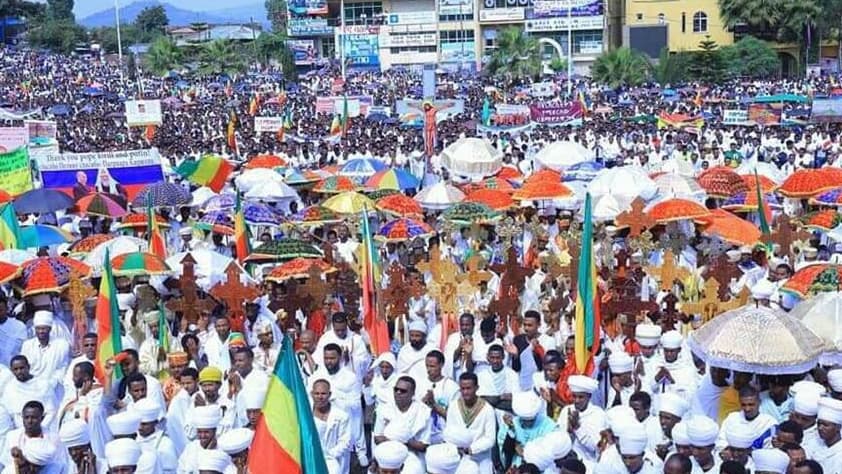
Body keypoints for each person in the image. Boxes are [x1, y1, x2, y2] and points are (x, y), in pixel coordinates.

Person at [372, 375, 432, 474]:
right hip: (386, 455)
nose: (398, 393)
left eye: (403, 391)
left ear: (412, 393)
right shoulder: (384, 408)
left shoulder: (423, 411)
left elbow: (423, 446)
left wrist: (404, 440)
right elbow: (377, 438)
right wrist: (398, 438)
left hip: (411, 456)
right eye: (396, 389)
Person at [443, 372, 496, 472]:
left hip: (481, 458)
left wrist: (472, 449)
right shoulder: (453, 406)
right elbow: (449, 431)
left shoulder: (487, 409)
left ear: (476, 388)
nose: (465, 392)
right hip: (458, 457)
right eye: (462, 389)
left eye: (468, 388)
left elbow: (490, 439)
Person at [557, 374, 606, 463]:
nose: (577, 401)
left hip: (588, 464)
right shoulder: (566, 410)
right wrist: (569, 431)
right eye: (574, 396)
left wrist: (577, 428)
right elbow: (559, 442)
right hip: (566, 463)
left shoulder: (598, 414)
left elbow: (595, 447)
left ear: (589, 397)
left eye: (581, 397)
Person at [311, 378, 352, 474]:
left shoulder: (341, 416)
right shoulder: (306, 415)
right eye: (317, 393)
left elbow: (345, 442)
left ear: (329, 394)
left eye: (323, 394)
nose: (320, 397)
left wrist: (328, 455)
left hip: (333, 462)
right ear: (312, 394)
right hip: (311, 459)